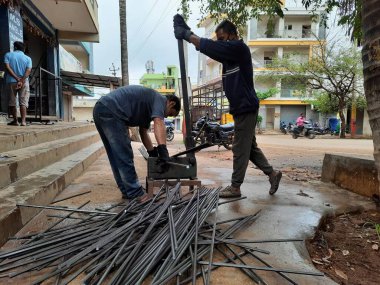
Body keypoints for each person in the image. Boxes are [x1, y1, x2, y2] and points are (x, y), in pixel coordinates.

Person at [173, 15, 282, 198]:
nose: (221, 43)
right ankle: (272, 174)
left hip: (246, 107)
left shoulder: (239, 48)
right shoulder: (229, 59)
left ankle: (235, 187)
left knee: (239, 148)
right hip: (241, 108)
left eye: (222, 39)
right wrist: (190, 35)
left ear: (232, 35)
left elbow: (214, 48)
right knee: (249, 147)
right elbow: (214, 49)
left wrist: (187, 35)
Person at [93, 85, 180, 201]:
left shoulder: (149, 107)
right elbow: (159, 122)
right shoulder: (160, 99)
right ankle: (135, 192)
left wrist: (152, 152)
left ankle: (127, 191)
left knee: (116, 156)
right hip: (113, 110)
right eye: (170, 113)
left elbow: (143, 132)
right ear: (171, 103)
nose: (166, 116)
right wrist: (163, 150)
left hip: (101, 109)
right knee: (124, 154)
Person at [4, 41, 32, 126]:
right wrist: (22, 80)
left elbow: (7, 67)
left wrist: (16, 78)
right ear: (23, 49)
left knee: (12, 101)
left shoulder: (8, 55)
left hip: (11, 81)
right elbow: (28, 70)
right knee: (23, 101)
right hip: (24, 82)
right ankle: (23, 121)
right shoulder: (28, 58)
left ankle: (15, 121)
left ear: (15, 47)